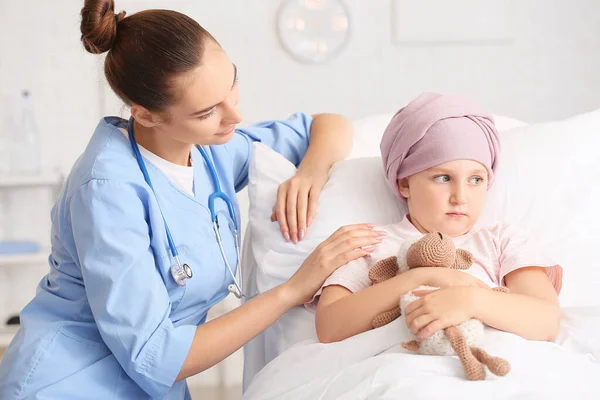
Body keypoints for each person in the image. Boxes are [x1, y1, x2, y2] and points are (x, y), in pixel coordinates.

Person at [0, 1, 383, 399]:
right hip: (67, 384)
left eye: (232, 84)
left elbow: (328, 124)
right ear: (146, 115)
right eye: (207, 111)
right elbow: (160, 356)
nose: (235, 115)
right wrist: (294, 289)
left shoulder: (210, 147)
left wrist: (311, 172)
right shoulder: (107, 191)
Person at [312, 92, 563, 344]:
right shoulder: (370, 241)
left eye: (476, 180)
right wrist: (420, 277)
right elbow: (329, 327)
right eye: (443, 178)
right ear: (404, 183)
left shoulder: (501, 241)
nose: (460, 197)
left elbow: (547, 321)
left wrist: (469, 300)